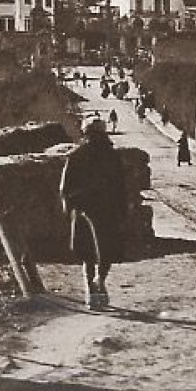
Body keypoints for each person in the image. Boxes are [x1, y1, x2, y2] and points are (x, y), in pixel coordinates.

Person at [59, 118, 127, 310]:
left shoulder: (76, 155)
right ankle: (100, 281)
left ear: (85, 133)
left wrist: (68, 206)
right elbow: (121, 186)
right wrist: (122, 210)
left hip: (83, 208)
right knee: (106, 251)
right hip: (108, 208)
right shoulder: (112, 156)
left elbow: (65, 187)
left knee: (86, 252)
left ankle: (91, 292)